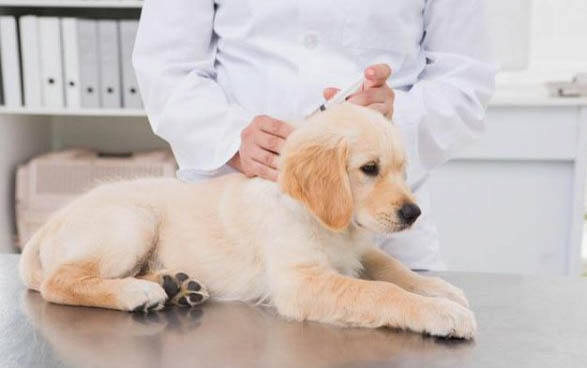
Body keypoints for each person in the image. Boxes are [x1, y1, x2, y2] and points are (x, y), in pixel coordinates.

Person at [133, 0, 496, 270]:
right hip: (237, 223)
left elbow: (466, 83)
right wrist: (230, 137)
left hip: (384, 239)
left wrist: (393, 119)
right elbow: (165, 68)